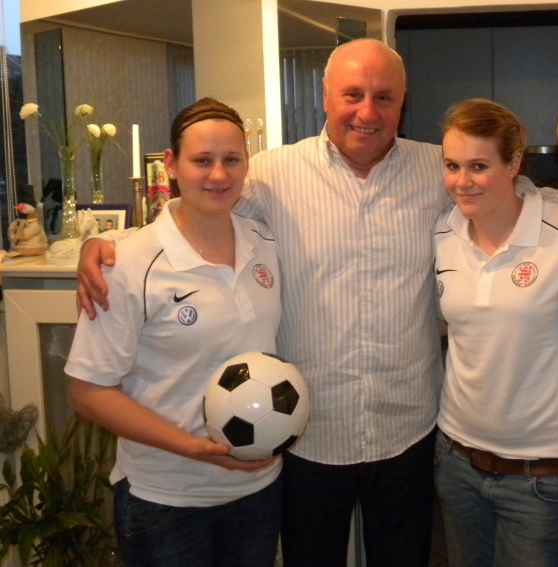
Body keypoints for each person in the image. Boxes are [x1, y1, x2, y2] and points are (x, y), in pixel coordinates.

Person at [76, 39, 449, 567]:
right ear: (325, 95)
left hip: (407, 430)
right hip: (305, 438)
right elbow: (199, 207)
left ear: (403, 101)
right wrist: (104, 243)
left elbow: (507, 192)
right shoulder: (270, 175)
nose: (367, 112)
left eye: (383, 97)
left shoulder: (440, 172)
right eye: (352, 94)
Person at [65, 98, 283, 567]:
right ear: (171, 164)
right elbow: (88, 392)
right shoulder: (127, 264)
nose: (218, 175)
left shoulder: (265, 243)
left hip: (258, 491)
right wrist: (195, 449)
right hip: (166, 501)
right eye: (202, 160)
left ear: (247, 164)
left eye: (231, 159)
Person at [433, 99, 558, 567]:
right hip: (457, 462)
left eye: (479, 166)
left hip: (542, 477)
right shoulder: (443, 232)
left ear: (514, 163)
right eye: (453, 166)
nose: (462, 181)